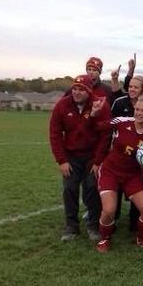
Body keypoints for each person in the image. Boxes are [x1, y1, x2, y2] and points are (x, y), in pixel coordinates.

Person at [88, 97, 143, 253]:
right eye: (137, 109)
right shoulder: (121, 122)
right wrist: (93, 114)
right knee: (109, 210)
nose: (139, 113)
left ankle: (142, 238)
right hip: (110, 171)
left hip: (132, 175)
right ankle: (105, 239)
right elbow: (97, 127)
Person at [49, 74, 109, 242]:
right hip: (71, 155)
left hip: (92, 155)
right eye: (74, 88)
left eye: (81, 89)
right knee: (70, 188)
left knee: (92, 188)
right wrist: (62, 160)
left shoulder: (100, 105)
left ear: (89, 91)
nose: (76, 92)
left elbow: (105, 135)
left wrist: (98, 161)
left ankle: (93, 225)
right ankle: (71, 226)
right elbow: (55, 134)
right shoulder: (63, 105)